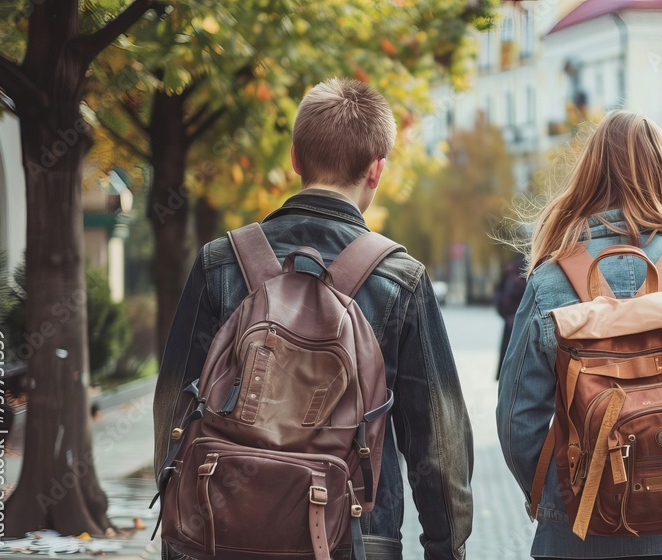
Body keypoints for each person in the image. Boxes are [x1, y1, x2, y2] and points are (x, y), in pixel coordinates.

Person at [152, 78, 474, 559]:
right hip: (357, 538)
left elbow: (174, 407)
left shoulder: (221, 261)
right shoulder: (401, 278)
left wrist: (181, 535)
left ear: (295, 159)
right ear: (377, 171)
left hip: (222, 532)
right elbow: (436, 437)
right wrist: (446, 549)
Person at [496, 111, 662, 560]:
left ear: (590, 176)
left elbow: (518, 419)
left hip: (575, 539)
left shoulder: (551, 279)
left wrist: (566, 499)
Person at [495, 252, 528, 379]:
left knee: (509, 355)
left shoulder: (511, 269)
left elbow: (501, 292)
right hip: (517, 318)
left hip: (512, 317)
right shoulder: (521, 269)